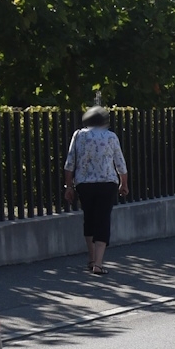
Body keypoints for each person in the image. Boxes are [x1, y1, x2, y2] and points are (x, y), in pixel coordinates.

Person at [64, 106, 129, 274]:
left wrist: (69, 186)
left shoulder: (78, 135)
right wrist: (124, 183)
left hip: (84, 184)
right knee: (103, 220)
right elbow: (120, 163)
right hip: (107, 183)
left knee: (89, 218)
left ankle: (91, 258)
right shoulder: (111, 136)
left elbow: (70, 163)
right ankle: (98, 264)